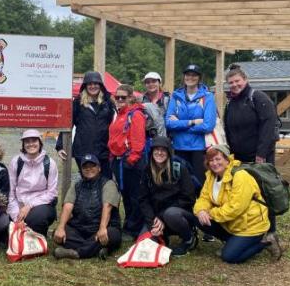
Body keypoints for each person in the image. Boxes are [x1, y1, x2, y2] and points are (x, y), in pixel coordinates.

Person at [193, 144, 282, 263]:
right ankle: (233, 242)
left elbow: (235, 208)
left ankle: (265, 242)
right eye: (211, 160)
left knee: (229, 257)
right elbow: (204, 198)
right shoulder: (211, 176)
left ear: (227, 159)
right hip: (232, 223)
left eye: (218, 159)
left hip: (250, 226)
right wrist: (201, 210)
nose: (214, 163)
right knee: (198, 217)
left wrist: (210, 213)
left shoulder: (240, 176)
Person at [223, 63, 280, 246]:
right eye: (231, 82)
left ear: (245, 80)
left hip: (259, 157)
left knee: (264, 192)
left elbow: (269, 127)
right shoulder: (231, 103)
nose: (234, 85)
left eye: (237, 81)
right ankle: (248, 229)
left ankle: (270, 231)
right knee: (243, 194)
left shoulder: (258, 98)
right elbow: (229, 130)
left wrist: (261, 154)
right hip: (239, 157)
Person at [53, 154, 122, 260]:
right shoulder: (76, 186)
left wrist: (102, 228)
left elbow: (107, 207)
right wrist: (61, 227)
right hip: (80, 228)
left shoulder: (108, 184)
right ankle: (98, 248)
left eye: (92, 166)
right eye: (85, 167)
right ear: (81, 170)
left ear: (99, 168)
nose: (89, 169)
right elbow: (67, 206)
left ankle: (77, 253)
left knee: (111, 235)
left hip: (102, 227)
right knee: (57, 233)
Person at [137, 136, 198, 257]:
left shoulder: (179, 168)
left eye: (163, 150)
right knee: (144, 244)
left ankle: (189, 239)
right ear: (151, 151)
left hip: (179, 215)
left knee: (171, 214)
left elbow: (189, 198)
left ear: (169, 152)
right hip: (157, 218)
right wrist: (152, 221)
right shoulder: (147, 170)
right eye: (156, 149)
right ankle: (163, 236)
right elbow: (143, 199)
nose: (159, 153)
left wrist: (162, 217)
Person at [165, 64, 217, 186]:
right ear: (184, 77)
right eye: (188, 75)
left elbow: (208, 125)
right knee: (181, 183)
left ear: (199, 78)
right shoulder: (176, 96)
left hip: (199, 149)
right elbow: (168, 123)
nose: (190, 78)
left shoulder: (207, 97)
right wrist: (191, 122)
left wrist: (180, 125)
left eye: (194, 75)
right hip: (179, 147)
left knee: (200, 183)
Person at [56, 71, 115, 179]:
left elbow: (115, 124)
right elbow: (67, 124)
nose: (93, 86)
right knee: (88, 181)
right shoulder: (77, 102)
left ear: (100, 85)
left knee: (106, 182)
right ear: (85, 86)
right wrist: (60, 146)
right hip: (83, 150)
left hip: (103, 151)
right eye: (89, 84)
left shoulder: (108, 103)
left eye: (96, 83)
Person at [108, 84, 147, 238]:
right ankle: (130, 225)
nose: (119, 100)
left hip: (130, 162)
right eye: (117, 97)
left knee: (135, 196)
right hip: (119, 161)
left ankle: (134, 228)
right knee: (126, 195)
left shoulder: (135, 115)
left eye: (123, 97)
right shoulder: (120, 114)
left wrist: (132, 159)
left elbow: (138, 140)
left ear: (131, 97)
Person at [7, 129, 59, 237]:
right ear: (23, 144)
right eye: (27, 141)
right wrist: (17, 216)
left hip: (41, 205)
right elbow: (11, 192)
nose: (31, 144)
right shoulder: (16, 162)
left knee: (37, 217)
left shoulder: (49, 163)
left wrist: (30, 205)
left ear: (40, 143)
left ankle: (38, 240)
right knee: (4, 224)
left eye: (34, 141)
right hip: (19, 204)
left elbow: (52, 193)